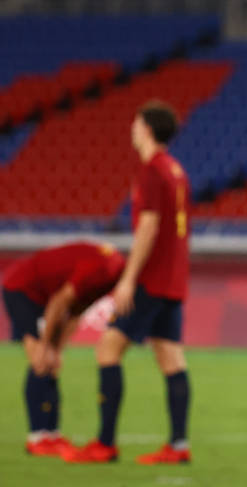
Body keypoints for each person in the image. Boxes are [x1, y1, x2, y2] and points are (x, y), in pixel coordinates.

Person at [63, 101, 192, 464]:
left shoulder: (152, 171)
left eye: (135, 122)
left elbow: (149, 227)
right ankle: (178, 446)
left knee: (107, 350)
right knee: (170, 357)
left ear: (147, 128)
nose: (132, 127)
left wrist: (128, 279)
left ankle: (105, 444)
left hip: (151, 279)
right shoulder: (176, 171)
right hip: (174, 278)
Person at [1, 241, 125, 457]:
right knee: (40, 361)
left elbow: (77, 310)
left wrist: (58, 349)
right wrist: (47, 345)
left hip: (45, 296)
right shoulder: (101, 270)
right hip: (22, 290)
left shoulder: (111, 274)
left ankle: (52, 434)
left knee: (53, 364)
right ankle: (37, 437)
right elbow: (59, 303)